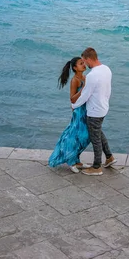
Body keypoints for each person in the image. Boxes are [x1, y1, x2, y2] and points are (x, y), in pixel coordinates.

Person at [71, 47, 116, 176]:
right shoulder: (106, 69)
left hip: (94, 111)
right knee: (99, 133)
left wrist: (74, 105)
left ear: (89, 59)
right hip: (103, 107)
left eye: (85, 61)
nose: (85, 64)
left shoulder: (92, 75)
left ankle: (97, 167)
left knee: (95, 139)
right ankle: (109, 157)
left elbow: (85, 95)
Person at [48, 57, 91, 173]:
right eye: (81, 64)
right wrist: (83, 89)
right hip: (79, 111)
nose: (84, 65)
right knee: (75, 136)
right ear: (75, 68)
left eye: (83, 63)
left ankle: (77, 160)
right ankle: (71, 161)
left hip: (86, 110)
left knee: (85, 137)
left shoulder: (85, 77)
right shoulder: (75, 80)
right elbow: (72, 99)